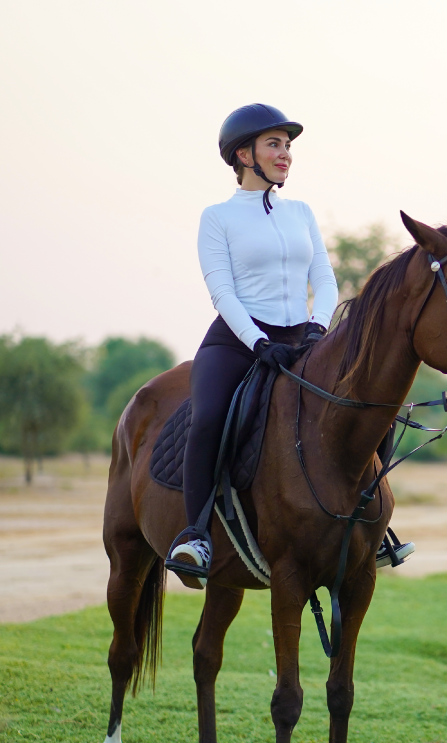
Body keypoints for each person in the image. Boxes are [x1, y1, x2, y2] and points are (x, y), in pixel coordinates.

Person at [166, 103, 412, 587]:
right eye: (274, 144)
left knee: (371, 406)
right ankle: (195, 534)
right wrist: (258, 342)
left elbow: (323, 275)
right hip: (239, 341)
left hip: (302, 338)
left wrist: (318, 328)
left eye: (288, 146)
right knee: (210, 416)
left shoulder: (300, 212)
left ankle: (372, 525)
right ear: (243, 153)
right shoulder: (217, 218)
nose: (286, 155)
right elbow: (222, 291)